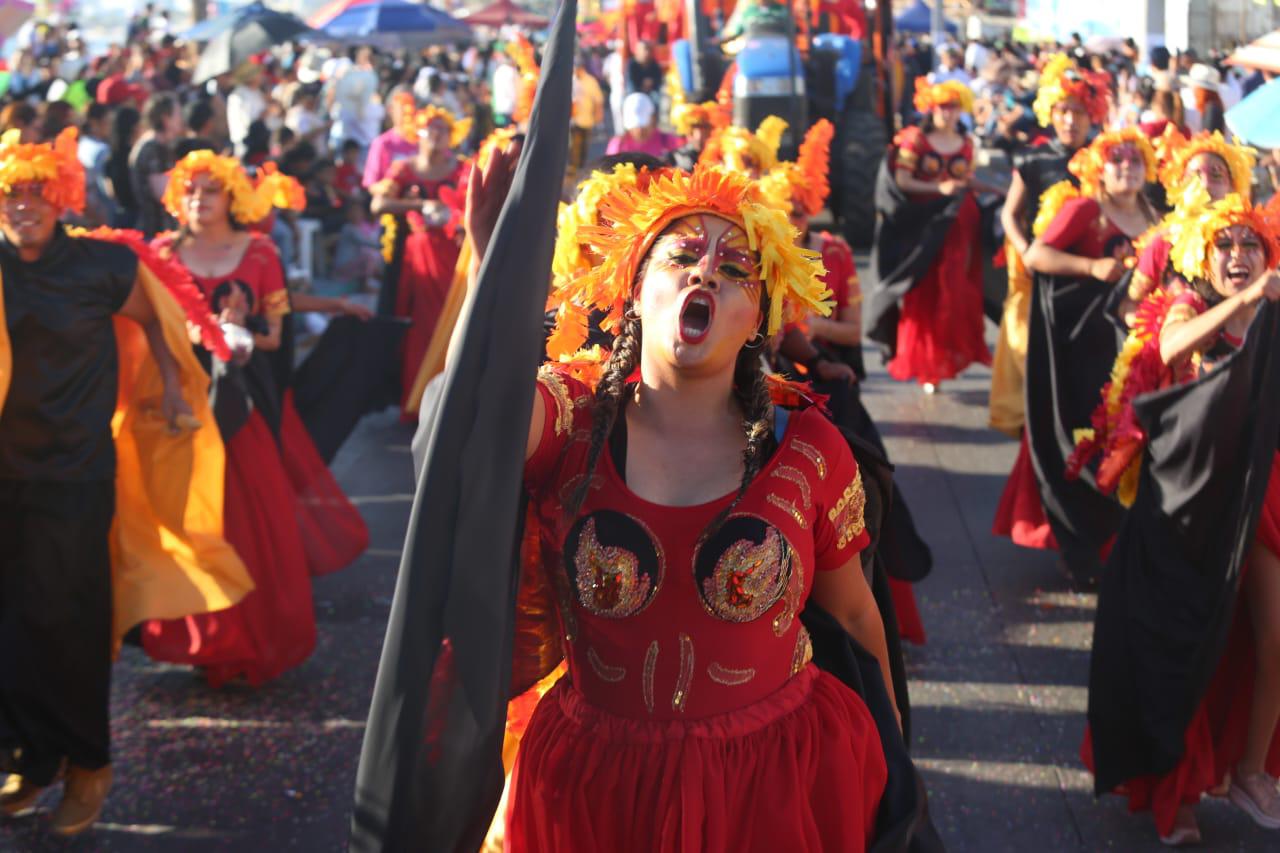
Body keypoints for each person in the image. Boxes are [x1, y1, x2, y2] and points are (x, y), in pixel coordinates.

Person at [498, 155, 894, 850]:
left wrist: (897, 764)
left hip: (772, 787)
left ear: (761, 321)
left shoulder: (806, 449)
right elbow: (466, 420)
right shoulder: (565, 423)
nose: (706, 270)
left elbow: (856, 611)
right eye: (680, 254)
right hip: (593, 793)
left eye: (736, 268)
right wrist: (494, 268)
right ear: (633, 289)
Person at [0, 129, 249, 837]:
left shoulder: (99, 266)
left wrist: (171, 388)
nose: (22, 208)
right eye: (10, 195)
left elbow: (155, 320)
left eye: (35, 195)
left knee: (70, 623)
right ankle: (32, 758)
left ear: (61, 198)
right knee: (12, 625)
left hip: (75, 472)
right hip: (2, 473)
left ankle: (88, 766)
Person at [1081, 193, 1280, 845]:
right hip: (1187, 503)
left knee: (1272, 637)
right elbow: (1170, 346)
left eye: (1250, 244)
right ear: (1201, 255)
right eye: (1224, 245)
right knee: (1186, 646)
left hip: (1265, 495)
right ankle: (1178, 792)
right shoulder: (1187, 306)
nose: (1239, 256)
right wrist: (1244, 304)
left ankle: (1251, 768)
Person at [140, 151, 347, 686]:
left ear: (230, 197)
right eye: (188, 191)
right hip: (182, 406)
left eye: (208, 191)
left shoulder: (258, 251)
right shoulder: (160, 252)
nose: (197, 200)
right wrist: (193, 338)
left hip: (239, 407)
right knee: (191, 522)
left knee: (249, 522)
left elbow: (277, 337)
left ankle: (255, 637)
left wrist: (236, 335)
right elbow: (149, 329)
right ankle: (203, 639)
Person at [993, 128, 1161, 586]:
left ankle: (1128, 543)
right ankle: (1083, 545)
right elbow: (1037, 256)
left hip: (1140, 350)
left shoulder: (1156, 215)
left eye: (1135, 158)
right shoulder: (1085, 209)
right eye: (1116, 159)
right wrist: (1091, 268)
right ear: (1099, 170)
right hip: (1087, 350)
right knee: (1091, 441)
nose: (1126, 165)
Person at [989, 53, 1106, 436]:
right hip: (1040, 268)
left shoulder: (1103, 159)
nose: (1070, 120)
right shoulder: (1035, 157)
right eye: (1063, 112)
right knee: (1032, 345)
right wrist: (1024, 251)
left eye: (1078, 112)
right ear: (1051, 114)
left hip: (1089, 271)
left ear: (1091, 114)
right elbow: (1010, 214)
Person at [866, 79, 992, 393]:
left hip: (959, 225)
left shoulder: (966, 143)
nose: (948, 113)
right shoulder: (915, 139)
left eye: (953, 107)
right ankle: (927, 364)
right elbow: (903, 181)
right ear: (931, 108)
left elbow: (967, 181)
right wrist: (939, 188)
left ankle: (948, 357)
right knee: (923, 291)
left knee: (955, 288)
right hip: (922, 224)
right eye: (942, 107)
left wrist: (1000, 190)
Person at [369, 105, 469, 416]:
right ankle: (416, 400)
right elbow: (378, 204)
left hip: (452, 256)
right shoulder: (403, 168)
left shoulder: (461, 168)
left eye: (444, 129)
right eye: (432, 128)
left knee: (453, 322)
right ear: (419, 133)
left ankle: (451, 399)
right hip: (416, 257)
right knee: (419, 326)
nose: (437, 135)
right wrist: (420, 204)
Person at [129, 93, 181, 238]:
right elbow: (164, 194)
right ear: (166, 119)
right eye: (177, 115)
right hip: (156, 231)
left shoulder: (157, 145)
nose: (181, 120)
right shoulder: (152, 149)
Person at [361, 90, 417, 190]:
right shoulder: (382, 143)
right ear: (391, 110)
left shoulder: (424, 141)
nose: (407, 113)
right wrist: (388, 188)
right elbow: (371, 183)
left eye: (411, 108)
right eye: (403, 109)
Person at [605, 92, 680, 159]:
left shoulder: (667, 141)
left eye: (643, 125)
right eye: (634, 126)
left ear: (653, 118)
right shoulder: (617, 145)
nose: (639, 130)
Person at [665, 96, 728, 172]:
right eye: (691, 128)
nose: (698, 135)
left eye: (704, 127)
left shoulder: (726, 153)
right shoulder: (676, 158)